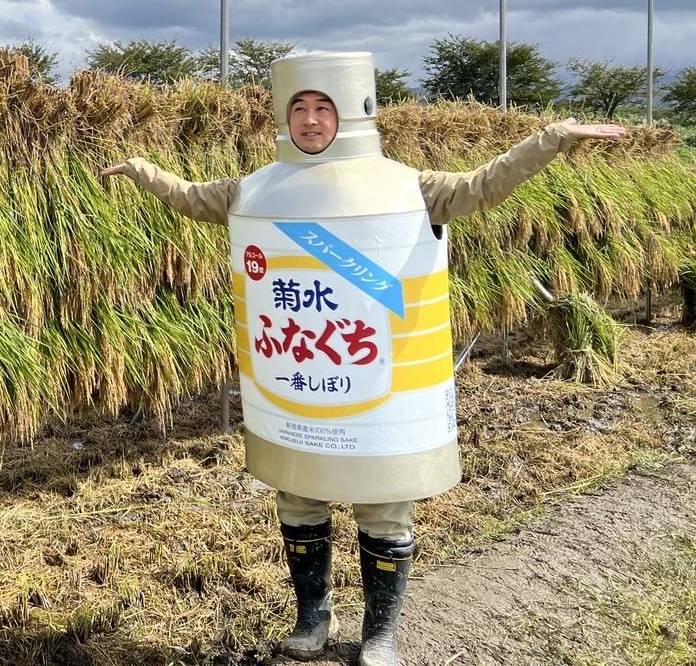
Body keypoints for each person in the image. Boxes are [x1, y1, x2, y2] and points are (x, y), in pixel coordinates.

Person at [100, 53, 626, 666]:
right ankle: (312, 620)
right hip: (299, 393)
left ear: (354, 112)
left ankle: (380, 632)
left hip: (379, 395)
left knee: (383, 505)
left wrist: (552, 139)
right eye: (299, 108)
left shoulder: (411, 186)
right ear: (282, 115)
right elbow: (189, 198)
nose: (312, 120)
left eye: (324, 107)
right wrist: (141, 169)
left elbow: (486, 185)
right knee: (299, 497)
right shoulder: (252, 189)